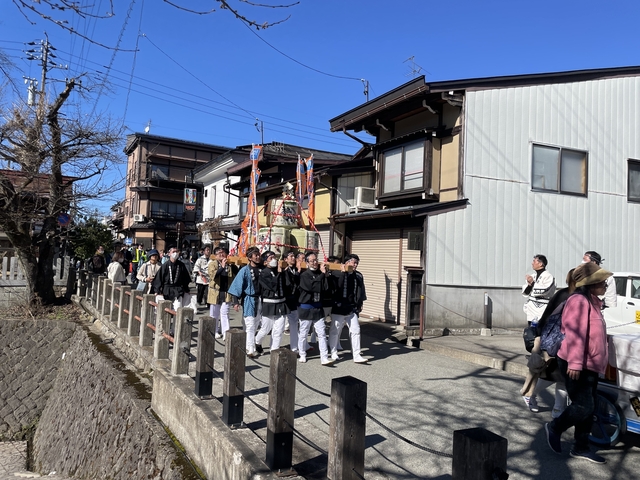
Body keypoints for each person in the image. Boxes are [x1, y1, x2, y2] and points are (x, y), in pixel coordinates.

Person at [544, 262, 612, 464]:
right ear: (592, 284)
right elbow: (575, 334)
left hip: (589, 363)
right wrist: (574, 363)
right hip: (577, 363)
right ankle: (555, 427)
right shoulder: (579, 301)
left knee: (588, 408)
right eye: (602, 283)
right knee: (583, 405)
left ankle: (581, 447)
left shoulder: (592, 301)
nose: (605, 287)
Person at [521, 269, 575, 416]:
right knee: (553, 374)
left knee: (561, 378)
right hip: (556, 343)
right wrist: (540, 335)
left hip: (570, 344)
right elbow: (548, 315)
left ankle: (557, 409)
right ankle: (530, 394)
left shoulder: (583, 297)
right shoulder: (563, 295)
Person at [328, 254, 368, 364]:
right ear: (346, 262)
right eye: (353, 262)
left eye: (357, 263)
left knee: (356, 330)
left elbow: (361, 290)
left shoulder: (358, 275)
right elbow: (334, 287)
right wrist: (342, 273)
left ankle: (357, 354)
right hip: (339, 306)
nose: (355, 265)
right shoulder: (336, 273)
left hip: (352, 307)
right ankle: (333, 352)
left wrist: (360, 302)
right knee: (335, 330)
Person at [297, 252, 334, 365]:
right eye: (312, 260)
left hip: (318, 308)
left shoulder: (320, 273)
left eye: (316, 260)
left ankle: (324, 356)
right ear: (307, 262)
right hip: (306, 307)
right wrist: (322, 275)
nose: (315, 262)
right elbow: (312, 287)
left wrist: (326, 275)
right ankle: (302, 353)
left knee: (322, 333)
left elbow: (326, 288)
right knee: (303, 333)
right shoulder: (304, 275)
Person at [228, 246, 263, 357]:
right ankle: (250, 348)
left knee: (257, 322)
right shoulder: (244, 270)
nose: (258, 257)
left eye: (258, 255)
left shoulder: (262, 269)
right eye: (255, 255)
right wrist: (236, 302)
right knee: (250, 324)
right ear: (249, 257)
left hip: (260, 299)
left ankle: (251, 344)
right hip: (249, 299)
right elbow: (237, 286)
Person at [255, 251, 290, 353]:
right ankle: (257, 341)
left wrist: (284, 272)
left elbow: (287, 285)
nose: (274, 259)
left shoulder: (280, 271)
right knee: (266, 328)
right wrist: (279, 273)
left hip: (281, 302)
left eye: (274, 257)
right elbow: (272, 286)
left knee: (279, 329)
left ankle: (274, 349)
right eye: (271, 258)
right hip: (269, 303)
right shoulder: (263, 273)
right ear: (265, 262)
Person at [207, 246, 237, 339]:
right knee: (214, 314)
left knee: (225, 313)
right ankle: (215, 330)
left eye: (223, 252)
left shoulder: (230, 264)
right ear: (215, 256)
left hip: (226, 292)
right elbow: (213, 276)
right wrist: (222, 267)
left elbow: (236, 275)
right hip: (215, 292)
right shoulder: (212, 264)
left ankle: (225, 332)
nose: (221, 254)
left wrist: (233, 264)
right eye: (219, 253)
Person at [522, 254, 556, 326]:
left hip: (543, 307)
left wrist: (533, 283)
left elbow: (545, 290)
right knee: (531, 328)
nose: (532, 263)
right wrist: (530, 284)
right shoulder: (533, 276)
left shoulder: (548, 276)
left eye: (534, 261)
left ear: (540, 264)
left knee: (541, 328)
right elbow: (526, 292)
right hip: (531, 307)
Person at [282, 251, 302, 353]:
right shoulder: (284, 269)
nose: (293, 258)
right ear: (285, 259)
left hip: (294, 300)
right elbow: (288, 283)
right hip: (283, 300)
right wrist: (298, 272)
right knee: (278, 326)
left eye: (294, 256)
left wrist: (298, 271)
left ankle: (294, 348)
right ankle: (273, 347)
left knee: (294, 324)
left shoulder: (295, 269)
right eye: (291, 256)